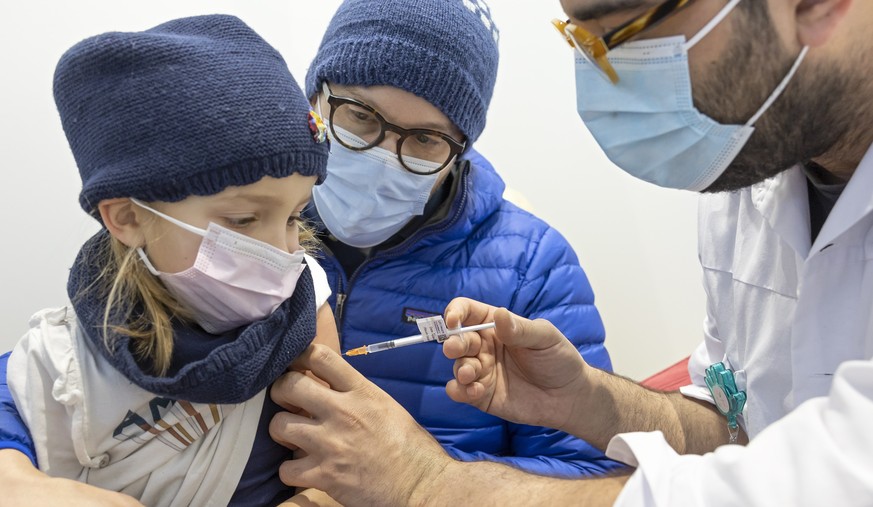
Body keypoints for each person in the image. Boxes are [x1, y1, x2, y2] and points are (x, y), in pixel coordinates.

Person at [261, 0, 873, 505]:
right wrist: (590, 400)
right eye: (579, 39)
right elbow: (736, 425)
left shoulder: (529, 264)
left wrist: (425, 484)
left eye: (623, 29)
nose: (603, 87)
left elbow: (813, 481)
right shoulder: (745, 181)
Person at [0, 14, 340, 506]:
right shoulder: (63, 359)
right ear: (127, 218)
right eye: (244, 220)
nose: (284, 254)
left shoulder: (306, 311)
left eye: (293, 217)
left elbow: (334, 471)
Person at [299, 0, 620, 477]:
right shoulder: (242, 226)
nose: (384, 156)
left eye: (426, 140)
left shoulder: (532, 269)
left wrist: (417, 476)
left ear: (460, 152)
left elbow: (598, 473)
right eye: (360, 116)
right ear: (315, 102)